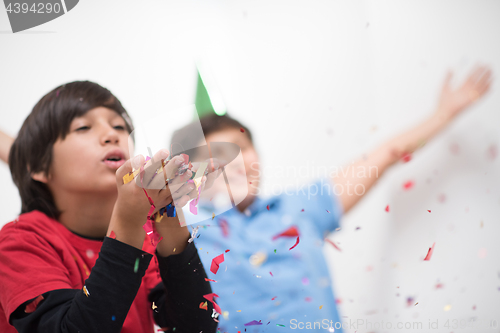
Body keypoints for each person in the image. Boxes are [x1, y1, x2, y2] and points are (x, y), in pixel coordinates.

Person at [170, 65, 492, 332]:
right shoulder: (183, 233)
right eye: (220, 155)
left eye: (243, 148)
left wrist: (443, 115)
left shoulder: (297, 208)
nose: (237, 162)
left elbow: (387, 154)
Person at [0, 81, 219, 333]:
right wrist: (127, 223)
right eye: (83, 127)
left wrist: (169, 215)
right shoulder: (20, 241)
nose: (113, 135)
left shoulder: (143, 239)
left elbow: (196, 325)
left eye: (119, 126)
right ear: (37, 166)